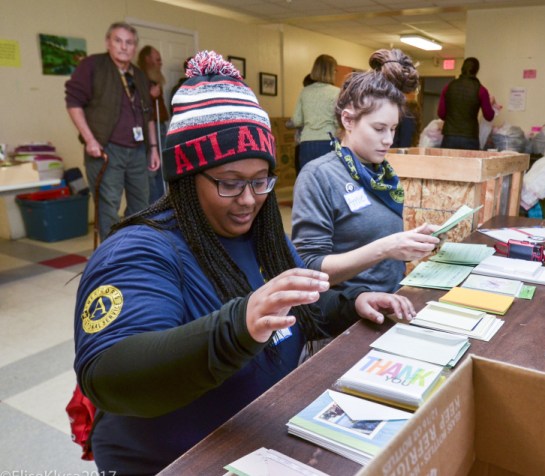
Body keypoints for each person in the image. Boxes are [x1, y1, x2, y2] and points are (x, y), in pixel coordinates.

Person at [72, 51, 414, 475]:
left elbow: (296, 310)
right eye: (230, 183)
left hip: (255, 443)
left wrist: (353, 303)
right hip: (174, 463)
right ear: (184, 178)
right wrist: (238, 325)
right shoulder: (140, 251)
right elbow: (110, 375)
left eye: (260, 181)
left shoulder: (263, 237)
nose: (250, 199)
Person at [292, 49, 441, 294]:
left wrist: (410, 243)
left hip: (393, 297)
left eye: (393, 129)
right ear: (348, 121)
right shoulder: (319, 176)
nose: (388, 140)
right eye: (379, 128)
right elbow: (310, 268)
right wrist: (387, 247)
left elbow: (375, 242)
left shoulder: (383, 174)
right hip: (348, 312)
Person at [65, 22, 160, 240]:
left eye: (129, 42)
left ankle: (132, 247)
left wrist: (153, 148)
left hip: (137, 150)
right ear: (108, 42)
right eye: (118, 40)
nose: (124, 47)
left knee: (141, 204)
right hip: (106, 149)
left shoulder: (138, 75)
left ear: (135, 47)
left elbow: (149, 116)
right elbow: (73, 103)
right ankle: (111, 259)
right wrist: (90, 140)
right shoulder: (92, 66)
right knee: (108, 205)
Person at [289, 54, 339, 171]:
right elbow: (338, 122)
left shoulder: (304, 91)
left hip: (306, 143)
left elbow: (296, 120)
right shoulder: (337, 92)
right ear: (331, 71)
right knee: (328, 181)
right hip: (328, 142)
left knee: (308, 181)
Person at [438, 57, 500, 150]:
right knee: (469, 164)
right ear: (476, 71)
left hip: (449, 136)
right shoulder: (481, 90)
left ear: (462, 69)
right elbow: (489, 116)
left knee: (448, 164)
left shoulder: (448, 87)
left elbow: (441, 114)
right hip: (470, 137)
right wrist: (491, 104)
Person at [137, 45, 168, 204]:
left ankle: (162, 204)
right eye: (157, 58)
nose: (160, 61)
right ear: (147, 59)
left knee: (163, 168)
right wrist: (150, 95)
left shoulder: (154, 78)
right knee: (153, 168)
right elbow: (137, 104)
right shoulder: (140, 78)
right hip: (151, 128)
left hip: (160, 126)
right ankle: (154, 206)